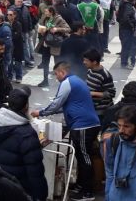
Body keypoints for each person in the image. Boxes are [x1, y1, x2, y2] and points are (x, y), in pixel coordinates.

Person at [31, 62, 100, 201]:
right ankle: (81, 186)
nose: (56, 77)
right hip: (85, 124)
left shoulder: (67, 82)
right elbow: (69, 105)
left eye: (56, 74)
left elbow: (57, 104)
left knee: (84, 158)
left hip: (83, 125)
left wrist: (41, 112)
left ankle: (88, 192)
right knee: (81, 157)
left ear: (62, 72)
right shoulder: (77, 81)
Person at [0, 87, 47, 201]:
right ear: (26, 106)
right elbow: (35, 172)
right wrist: (40, 196)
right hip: (18, 189)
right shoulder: (27, 134)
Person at [36, 5, 70, 88]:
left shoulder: (58, 18)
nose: (45, 13)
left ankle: (63, 81)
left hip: (55, 44)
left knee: (58, 64)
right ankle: (45, 80)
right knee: (45, 62)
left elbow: (68, 29)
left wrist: (57, 29)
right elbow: (44, 27)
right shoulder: (46, 18)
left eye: (46, 12)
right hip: (46, 43)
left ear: (51, 12)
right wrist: (42, 30)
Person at [83, 48, 115, 120]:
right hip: (91, 108)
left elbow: (111, 93)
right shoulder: (90, 71)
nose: (84, 62)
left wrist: (92, 93)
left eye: (86, 60)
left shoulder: (105, 75)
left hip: (100, 111)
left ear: (94, 62)